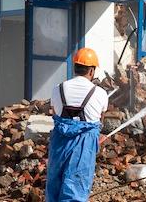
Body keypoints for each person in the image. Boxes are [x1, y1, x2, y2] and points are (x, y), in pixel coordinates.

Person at [46, 47, 109, 202]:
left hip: (59, 143)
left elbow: (55, 112)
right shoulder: (100, 93)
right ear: (92, 71)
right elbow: (100, 119)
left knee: (54, 184)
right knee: (76, 187)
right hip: (84, 144)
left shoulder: (57, 89)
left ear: (74, 68)